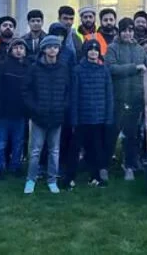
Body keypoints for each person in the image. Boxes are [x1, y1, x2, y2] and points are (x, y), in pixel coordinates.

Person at [23, 35, 70, 195]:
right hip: (39, 116)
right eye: (49, 47)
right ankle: (31, 179)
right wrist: (34, 109)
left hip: (56, 116)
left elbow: (68, 91)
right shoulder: (34, 68)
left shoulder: (63, 68)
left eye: (55, 47)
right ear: (43, 49)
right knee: (35, 150)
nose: (52, 50)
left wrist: (63, 107)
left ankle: (52, 180)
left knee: (54, 150)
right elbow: (26, 91)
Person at [105, 18, 147, 181]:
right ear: (119, 32)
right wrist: (134, 68)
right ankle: (104, 166)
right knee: (112, 133)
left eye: (130, 30)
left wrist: (143, 93)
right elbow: (111, 68)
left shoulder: (140, 50)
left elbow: (146, 71)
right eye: (124, 30)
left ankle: (129, 166)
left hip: (135, 98)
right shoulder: (112, 48)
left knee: (132, 135)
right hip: (118, 98)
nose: (127, 33)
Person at [66, 40, 113, 188]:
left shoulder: (104, 70)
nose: (93, 52)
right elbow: (74, 96)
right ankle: (69, 178)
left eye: (96, 50)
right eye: (90, 49)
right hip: (82, 118)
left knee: (96, 149)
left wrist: (108, 117)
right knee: (74, 149)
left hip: (98, 118)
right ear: (86, 52)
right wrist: (74, 119)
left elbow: (109, 95)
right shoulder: (78, 70)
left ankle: (95, 177)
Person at [0, 38, 30, 178]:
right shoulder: (3, 66)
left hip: (20, 113)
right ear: (10, 50)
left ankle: (15, 166)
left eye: (21, 48)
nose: (19, 51)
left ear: (25, 51)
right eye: (16, 48)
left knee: (18, 142)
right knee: (1, 143)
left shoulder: (28, 68)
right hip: (3, 113)